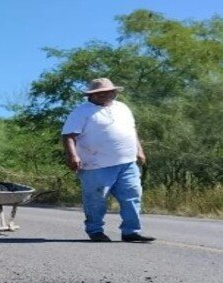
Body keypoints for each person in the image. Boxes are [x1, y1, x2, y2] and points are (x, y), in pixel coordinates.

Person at [61, 78, 155, 243]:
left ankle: (131, 231)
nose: (105, 94)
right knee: (96, 200)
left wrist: (139, 150)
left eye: (108, 91)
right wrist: (73, 156)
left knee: (132, 195)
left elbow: (131, 130)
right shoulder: (81, 112)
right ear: (91, 95)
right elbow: (68, 135)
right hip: (96, 165)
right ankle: (95, 230)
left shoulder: (123, 108)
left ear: (114, 92)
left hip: (127, 162)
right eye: (99, 93)